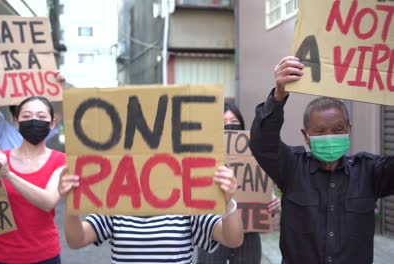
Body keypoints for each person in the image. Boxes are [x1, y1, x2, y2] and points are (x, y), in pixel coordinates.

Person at [249, 56, 394, 264]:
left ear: (348, 129)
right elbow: (262, 143)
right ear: (306, 135)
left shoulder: (369, 172)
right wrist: (279, 96)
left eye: (338, 129)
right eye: (320, 131)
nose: (330, 136)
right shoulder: (291, 167)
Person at [58, 163, 244, 263]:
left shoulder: (187, 205)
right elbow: (76, 240)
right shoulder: (115, 205)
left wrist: (228, 203)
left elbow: (232, 239)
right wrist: (71, 205)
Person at [197, 102, 281, 264]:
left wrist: (273, 205)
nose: (229, 126)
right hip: (214, 233)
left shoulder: (256, 153)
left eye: (233, 122)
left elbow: (261, 190)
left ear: (242, 125)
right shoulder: (202, 157)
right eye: (224, 123)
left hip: (247, 236)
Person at [0, 96, 66, 264]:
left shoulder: (61, 160)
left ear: (52, 124)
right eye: (26, 116)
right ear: (17, 122)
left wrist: (9, 175)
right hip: (0, 255)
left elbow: (49, 201)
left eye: (41, 116)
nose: (33, 121)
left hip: (44, 255)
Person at [0, 49, 64, 150]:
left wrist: (60, 87)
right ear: (16, 118)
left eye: (39, 114)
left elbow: (59, 113)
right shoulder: (3, 130)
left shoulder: (40, 130)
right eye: (26, 114)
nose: (33, 118)